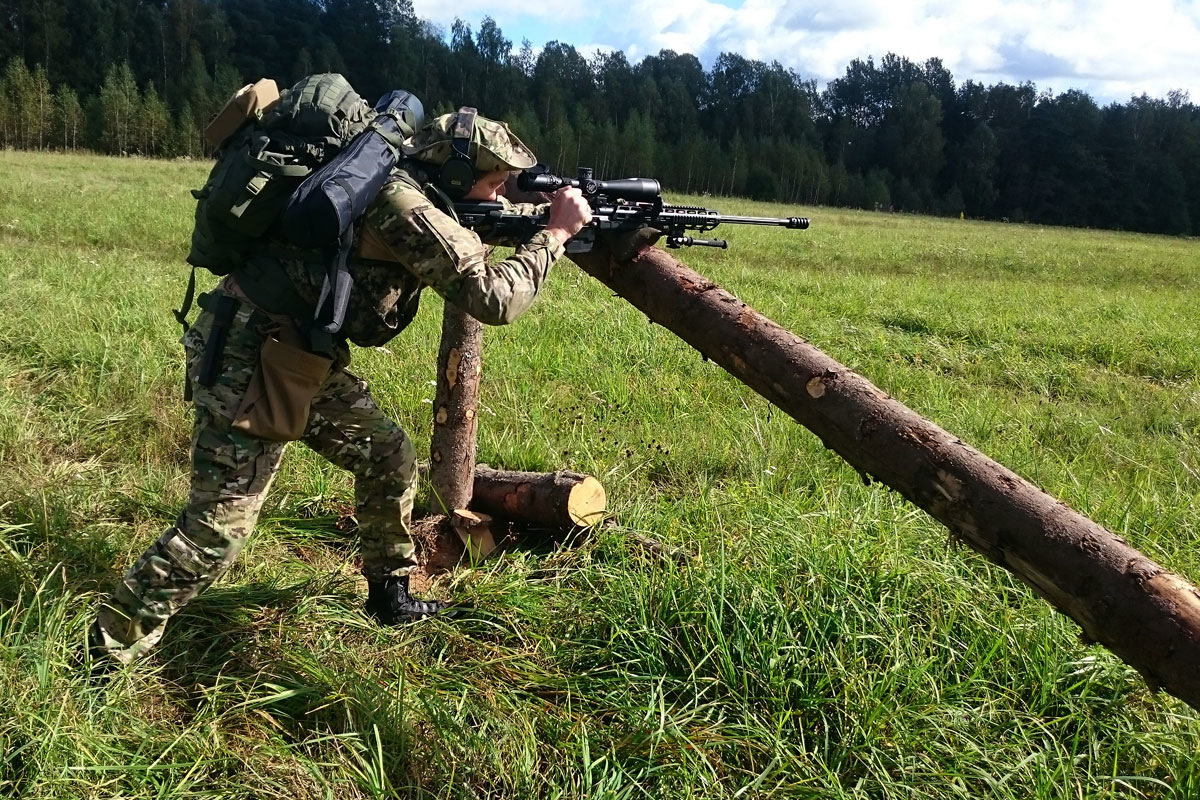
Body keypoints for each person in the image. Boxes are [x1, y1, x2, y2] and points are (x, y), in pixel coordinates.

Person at [87, 108, 592, 665]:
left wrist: (540, 212)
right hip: (247, 356)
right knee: (219, 526)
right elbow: (496, 298)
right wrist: (556, 234)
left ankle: (389, 594)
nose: (499, 198)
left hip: (298, 355)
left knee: (388, 454)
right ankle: (109, 648)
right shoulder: (399, 202)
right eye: (493, 183)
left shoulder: (405, 188)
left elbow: (472, 219)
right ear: (453, 173)